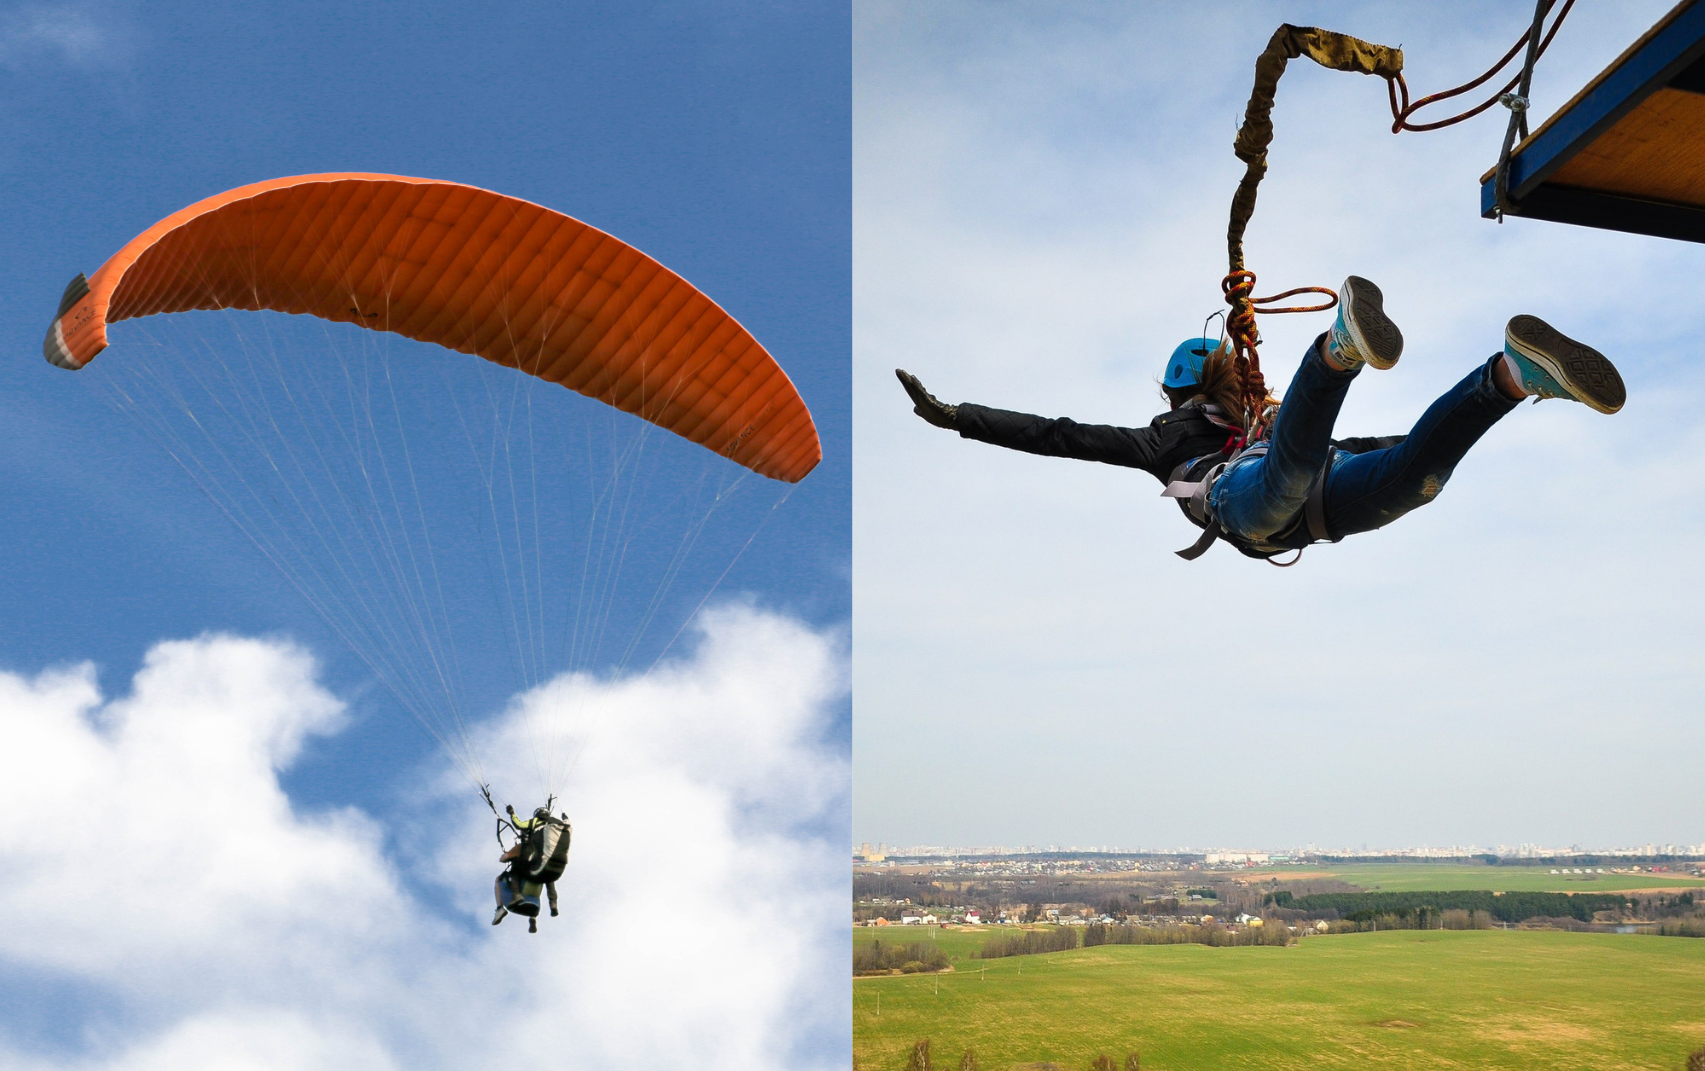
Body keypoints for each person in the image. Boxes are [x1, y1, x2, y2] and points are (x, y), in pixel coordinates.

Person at [896, 276, 1624, 562]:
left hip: (1285, 494)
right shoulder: (1169, 441)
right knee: (1304, 463)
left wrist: (1420, 441)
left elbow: (1344, 445)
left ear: (1178, 386)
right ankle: (1353, 354)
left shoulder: (1259, 424)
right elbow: (1056, 435)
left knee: (1415, 481)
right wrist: (956, 415)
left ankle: (1507, 375)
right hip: (1268, 501)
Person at [493, 804, 562, 933]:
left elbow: (503, 859)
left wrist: (512, 814)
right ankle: (545, 910)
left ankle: (500, 909)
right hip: (535, 903)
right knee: (544, 876)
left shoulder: (523, 846)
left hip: (517, 898)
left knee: (502, 878)